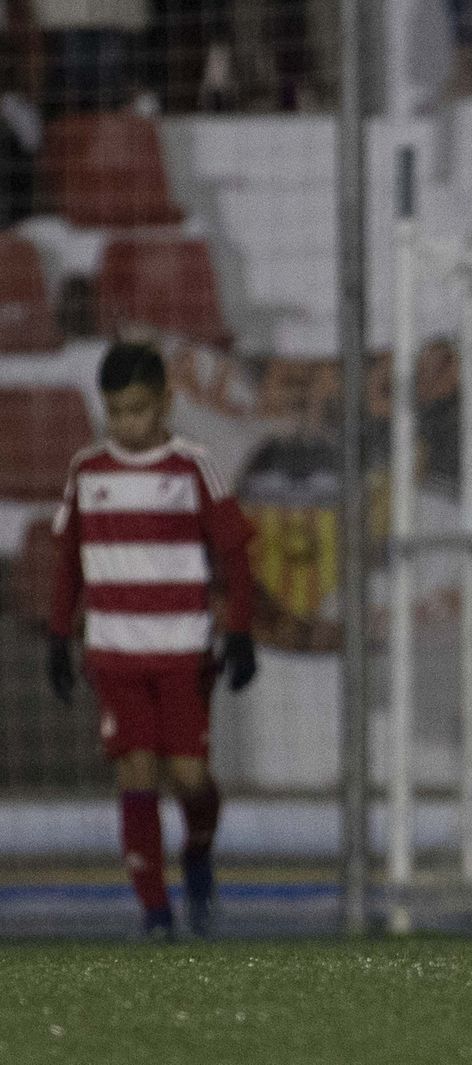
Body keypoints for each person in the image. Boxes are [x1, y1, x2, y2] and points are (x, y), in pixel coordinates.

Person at [48, 341, 257, 940]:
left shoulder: (193, 465)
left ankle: (196, 853)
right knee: (136, 772)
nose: (127, 425)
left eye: (139, 410)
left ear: (166, 403)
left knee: (190, 777)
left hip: (184, 651)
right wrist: (58, 638)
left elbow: (234, 554)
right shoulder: (88, 473)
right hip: (114, 654)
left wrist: (239, 631)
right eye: (116, 412)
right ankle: (155, 911)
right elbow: (69, 565)